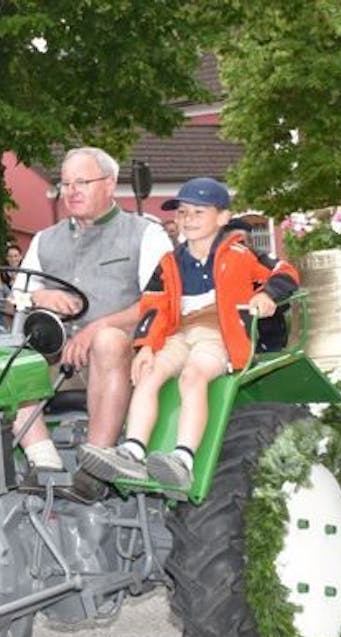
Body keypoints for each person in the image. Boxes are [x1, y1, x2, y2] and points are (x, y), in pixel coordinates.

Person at [80, 178, 299, 489]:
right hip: (180, 334)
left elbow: (285, 272)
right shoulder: (170, 262)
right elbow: (154, 306)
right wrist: (146, 347)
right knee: (149, 373)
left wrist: (267, 296)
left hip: (219, 335)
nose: (188, 220)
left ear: (223, 217)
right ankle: (132, 450)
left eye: (199, 212)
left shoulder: (239, 254)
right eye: (183, 213)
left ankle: (183, 458)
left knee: (193, 376)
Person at [16, 147, 173, 473]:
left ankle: (96, 463)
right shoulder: (45, 240)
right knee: (4, 361)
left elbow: (158, 301)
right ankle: (43, 458)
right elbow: (17, 296)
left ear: (109, 183)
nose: (71, 191)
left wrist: (95, 329)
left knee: (108, 341)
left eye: (82, 182)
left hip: (124, 357)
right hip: (58, 357)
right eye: (66, 183)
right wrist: (40, 296)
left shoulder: (146, 234)